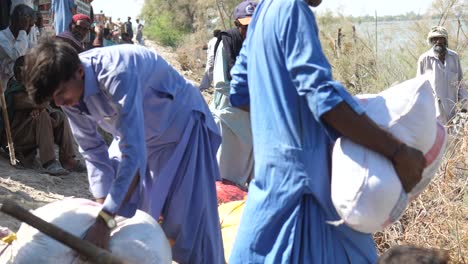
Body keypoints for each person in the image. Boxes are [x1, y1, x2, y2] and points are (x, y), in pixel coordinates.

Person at [227, 0, 426, 263]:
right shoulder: (292, 8)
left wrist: (281, 120)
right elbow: (320, 96)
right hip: (308, 193)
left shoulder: (263, 11)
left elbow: (239, 92)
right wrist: (398, 152)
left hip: (270, 190)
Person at [23, 40, 224, 264]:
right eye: (53, 99)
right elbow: (92, 150)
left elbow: (134, 155)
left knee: (186, 226)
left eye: (61, 93)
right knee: (134, 217)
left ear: (80, 72)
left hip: (179, 128)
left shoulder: (117, 73)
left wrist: (105, 220)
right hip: (135, 134)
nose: (60, 103)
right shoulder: (68, 95)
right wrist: (102, 209)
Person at [5, 56, 84, 175]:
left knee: (59, 116)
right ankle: (49, 162)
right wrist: (41, 107)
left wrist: (41, 108)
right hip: (18, 137)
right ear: (20, 72)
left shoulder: (32, 89)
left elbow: (45, 103)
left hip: (32, 130)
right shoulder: (15, 91)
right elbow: (41, 102)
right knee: (42, 115)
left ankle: (68, 159)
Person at [210, 1, 256, 188]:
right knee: (224, 180)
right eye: (244, 26)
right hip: (229, 120)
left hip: (253, 121)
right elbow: (222, 84)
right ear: (237, 24)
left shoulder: (260, 44)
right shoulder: (227, 42)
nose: (249, 30)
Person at [417, 26, 467, 124]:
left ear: (445, 40)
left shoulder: (454, 57)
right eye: (435, 38)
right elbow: (420, 88)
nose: (438, 41)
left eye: (441, 38)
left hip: (454, 114)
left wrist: (464, 107)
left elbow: (461, 84)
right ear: (431, 41)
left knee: (454, 138)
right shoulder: (424, 59)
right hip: (433, 114)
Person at [0, 4, 35, 89]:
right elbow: (17, 56)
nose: (29, 30)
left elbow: (36, 51)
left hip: (17, 91)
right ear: (18, 22)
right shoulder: (1, 37)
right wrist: (23, 30)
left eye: (30, 26)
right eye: (27, 26)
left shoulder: (23, 39)